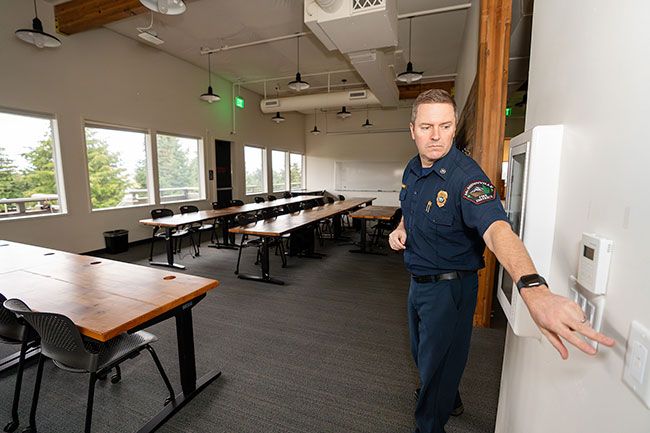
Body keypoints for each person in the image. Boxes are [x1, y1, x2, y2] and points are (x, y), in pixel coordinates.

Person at [388, 89, 614, 433]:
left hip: (451, 288)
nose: (435, 136)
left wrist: (533, 288)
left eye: (445, 126)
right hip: (417, 281)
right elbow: (412, 206)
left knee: (436, 364)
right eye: (427, 126)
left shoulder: (468, 178)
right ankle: (450, 396)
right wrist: (402, 227)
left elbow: (497, 230)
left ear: (453, 128)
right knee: (426, 355)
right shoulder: (412, 167)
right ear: (413, 129)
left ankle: (429, 423)